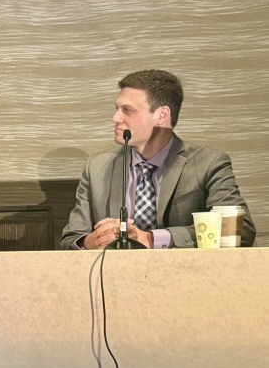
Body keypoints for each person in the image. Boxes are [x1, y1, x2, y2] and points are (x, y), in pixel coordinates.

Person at [60, 70, 256, 249]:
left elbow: (239, 230)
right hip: (113, 279)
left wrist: (153, 238)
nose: (115, 118)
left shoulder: (208, 163)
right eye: (116, 109)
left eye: (127, 110)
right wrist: (91, 241)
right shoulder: (97, 167)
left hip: (188, 279)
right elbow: (69, 240)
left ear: (162, 115)